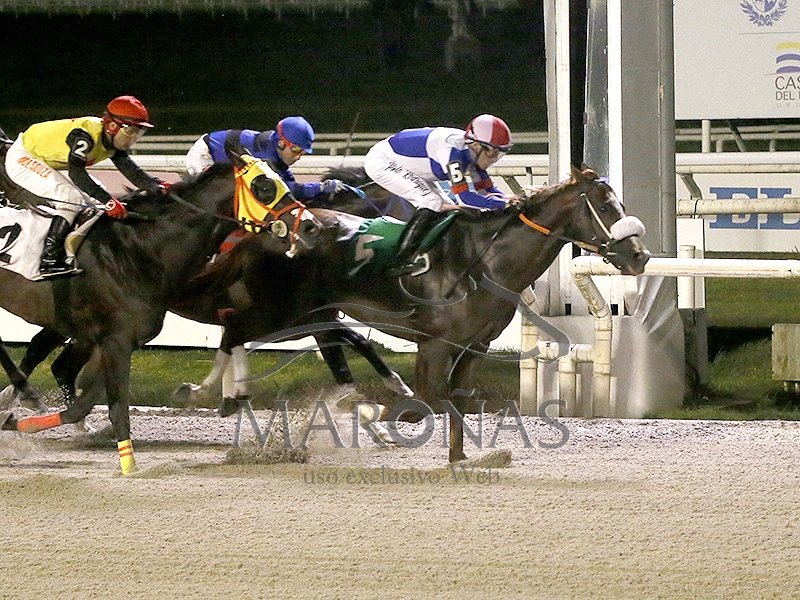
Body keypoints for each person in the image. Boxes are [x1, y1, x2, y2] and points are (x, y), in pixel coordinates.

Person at [4, 95, 167, 277]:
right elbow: (77, 174)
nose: (134, 137)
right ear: (112, 126)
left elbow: (130, 170)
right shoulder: (85, 136)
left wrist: (156, 185)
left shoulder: (110, 138)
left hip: (47, 160)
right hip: (23, 157)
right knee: (71, 198)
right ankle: (49, 260)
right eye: (131, 130)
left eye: (139, 132)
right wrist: (108, 201)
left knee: (93, 202)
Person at [363, 114, 514, 272]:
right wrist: (502, 204)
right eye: (493, 152)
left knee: (447, 208)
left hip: (409, 165)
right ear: (477, 145)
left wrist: (510, 199)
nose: (495, 159)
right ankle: (400, 259)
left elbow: (485, 190)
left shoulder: (472, 152)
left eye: (500, 153)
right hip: (383, 161)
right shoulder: (453, 154)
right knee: (433, 203)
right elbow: (465, 199)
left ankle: (431, 253)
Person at [184, 116, 345, 202]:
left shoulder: (274, 150)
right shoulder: (265, 155)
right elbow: (286, 190)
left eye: (303, 152)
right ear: (281, 143)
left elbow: (289, 187)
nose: (298, 157)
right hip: (205, 156)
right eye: (296, 149)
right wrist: (321, 188)